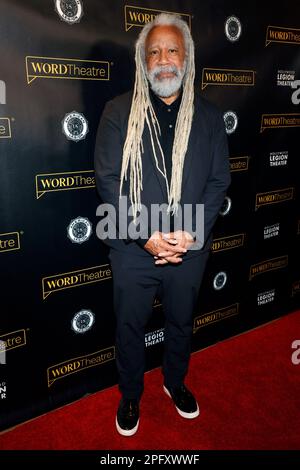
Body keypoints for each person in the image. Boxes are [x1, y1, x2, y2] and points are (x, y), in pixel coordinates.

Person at [94, 13, 231, 436]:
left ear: (187, 57)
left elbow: (218, 180)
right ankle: (131, 394)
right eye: (153, 51)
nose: (163, 59)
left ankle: (175, 382)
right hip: (134, 247)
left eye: (172, 49)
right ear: (143, 60)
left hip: (189, 244)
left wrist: (190, 235)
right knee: (130, 325)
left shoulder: (208, 117)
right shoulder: (119, 112)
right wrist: (145, 236)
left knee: (180, 321)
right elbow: (108, 180)